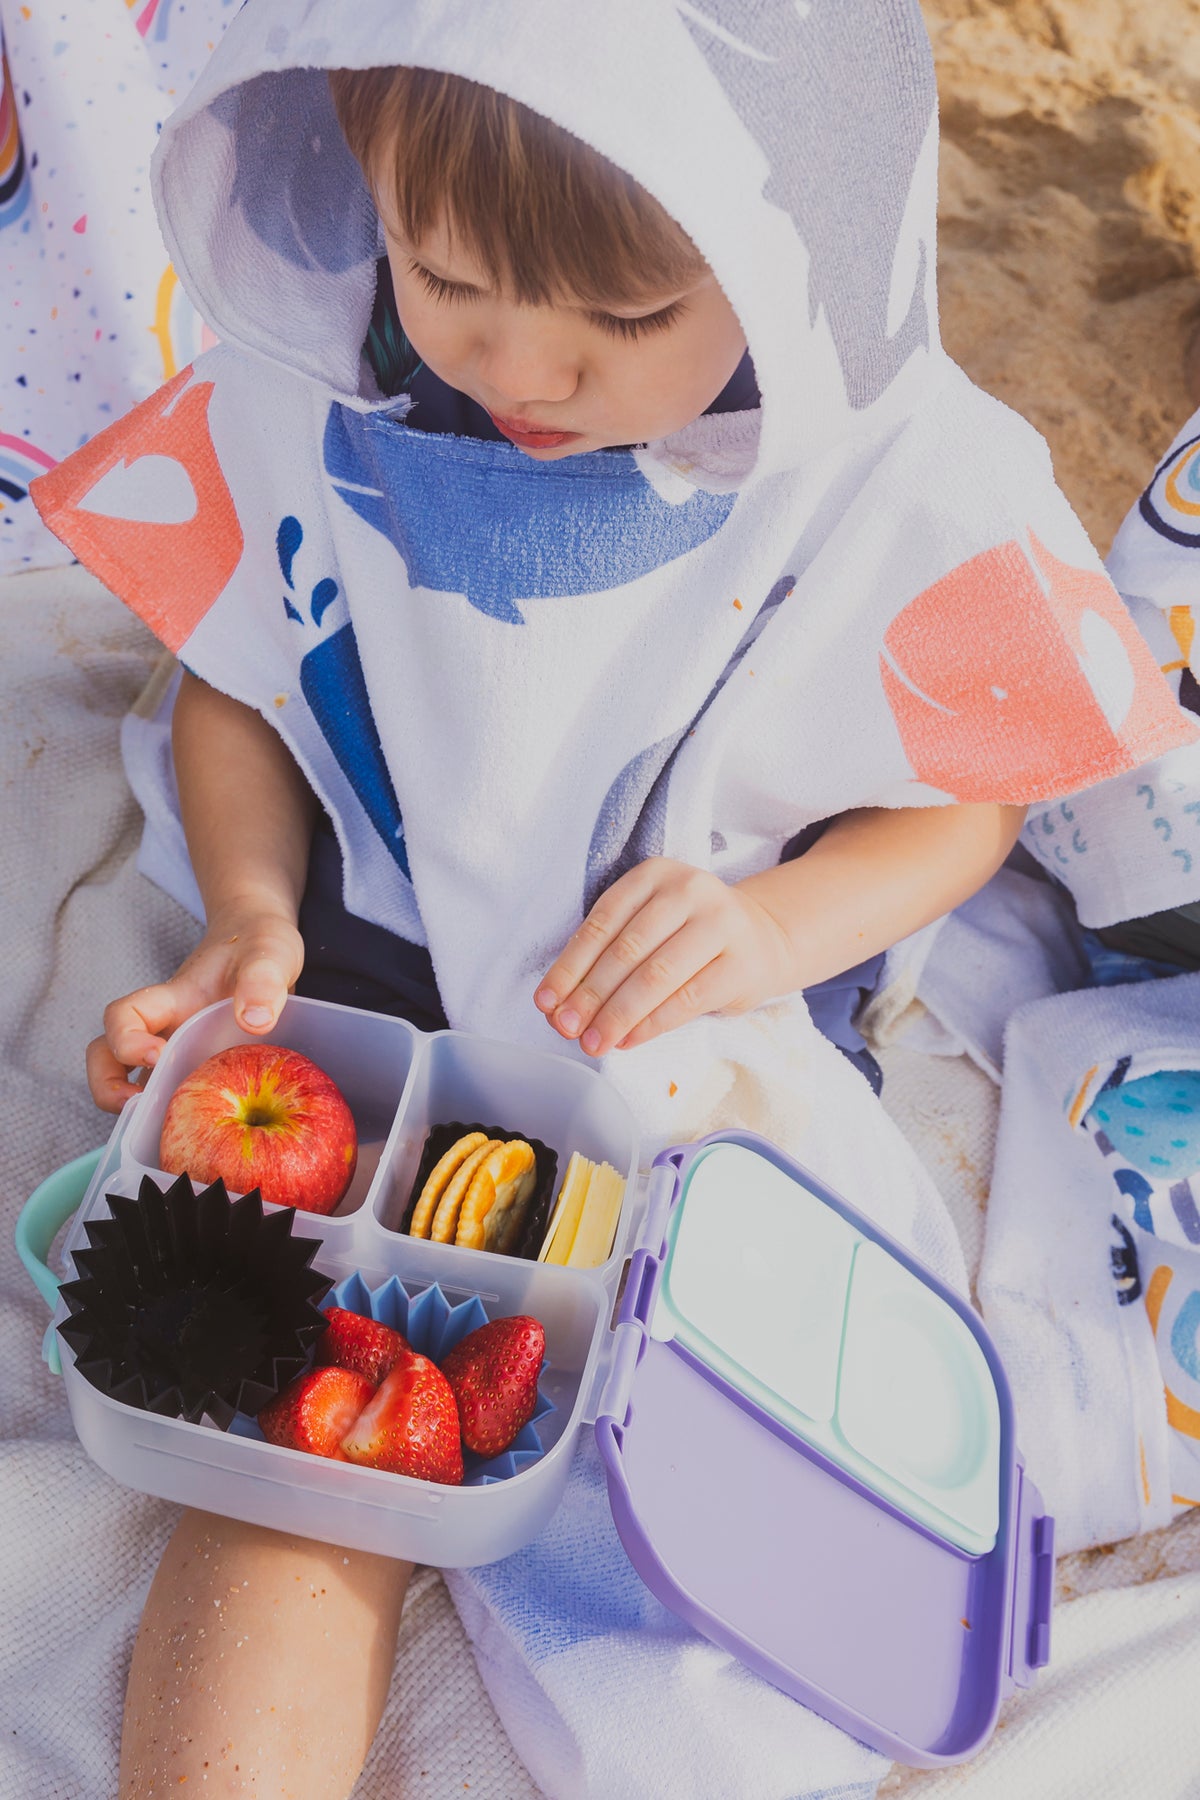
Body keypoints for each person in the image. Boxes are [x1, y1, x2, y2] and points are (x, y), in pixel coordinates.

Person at [29, 4, 1198, 1795]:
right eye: (446, 275)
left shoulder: (875, 467)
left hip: (692, 1014)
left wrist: (783, 926)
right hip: (385, 972)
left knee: (739, 1492)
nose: (523, 367)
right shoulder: (332, 372)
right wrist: (254, 911)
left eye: (627, 320)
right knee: (284, 1456)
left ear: (795, 247)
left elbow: (966, 792)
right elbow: (240, 681)